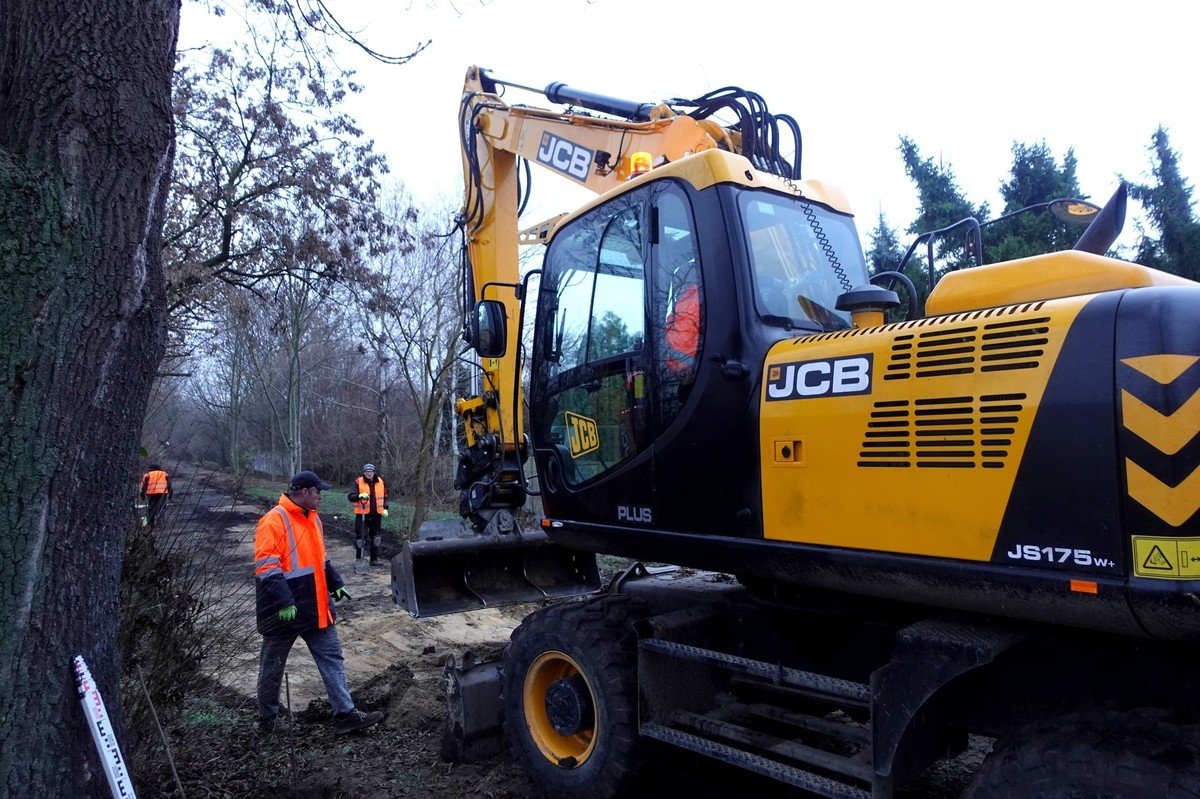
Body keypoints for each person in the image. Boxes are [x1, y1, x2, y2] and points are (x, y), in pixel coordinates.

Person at [253, 470, 384, 735]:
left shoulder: (313, 519)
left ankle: (345, 713)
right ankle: (268, 720)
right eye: (318, 492)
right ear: (304, 493)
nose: (321, 497)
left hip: (314, 605)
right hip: (283, 611)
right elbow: (267, 567)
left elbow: (320, 558)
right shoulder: (273, 521)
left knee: (331, 655)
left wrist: (335, 582)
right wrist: (284, 601)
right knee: (273, 663)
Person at [348, 463, 388, 567]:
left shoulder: (381, 482)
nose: (369, 473)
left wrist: (385, 508)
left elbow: (385, 497)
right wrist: (359, 496)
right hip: (362, 515)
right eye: (367, 471)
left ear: (374, 472)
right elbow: (351, 496)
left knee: (376, 538)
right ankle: (359, 559)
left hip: (376, 515)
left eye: (370, 471)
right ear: (364, 472)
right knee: (361, 538)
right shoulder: (358, 482)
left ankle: (374, 560)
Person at [140, 464, 172, 529]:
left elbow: (144, 486)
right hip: (162, 493)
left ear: (151, 468)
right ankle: (159, 519)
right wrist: (170, 494)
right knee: (162, 506)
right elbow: (169, 485)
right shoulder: (165, 474)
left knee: (151, 507)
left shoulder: (147, 475)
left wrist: (142, 494)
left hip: (151, 493)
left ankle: (150, 523)